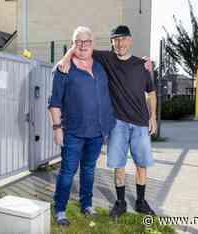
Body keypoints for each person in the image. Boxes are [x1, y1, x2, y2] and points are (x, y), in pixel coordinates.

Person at [58, 25, 157, 219]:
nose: (119, 43)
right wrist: (66, 56)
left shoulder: (141, 65)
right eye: (116, 40)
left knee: (141, 165)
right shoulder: (106, 59)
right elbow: (81, 47)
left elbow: (151, 92)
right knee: (119, 165)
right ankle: (120, 203)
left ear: (130, 40)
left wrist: (152, 116)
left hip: (140, 124)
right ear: (112, 42)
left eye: (123, 39)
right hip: (118, 123)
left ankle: (141, 201)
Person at [48, 26, 116, 226]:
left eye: (87, 41)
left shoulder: (101, 66)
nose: (83, 45)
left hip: (97, 131)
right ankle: (60, 209)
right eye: (78, 41)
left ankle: (86, 204)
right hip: (73, 132)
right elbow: (54, 102)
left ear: (93, 44)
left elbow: (124, 62)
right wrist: (57, 128)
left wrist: (145, 65)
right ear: (73, 44)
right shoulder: (63, 69)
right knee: (68, 171)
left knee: (89, 169)